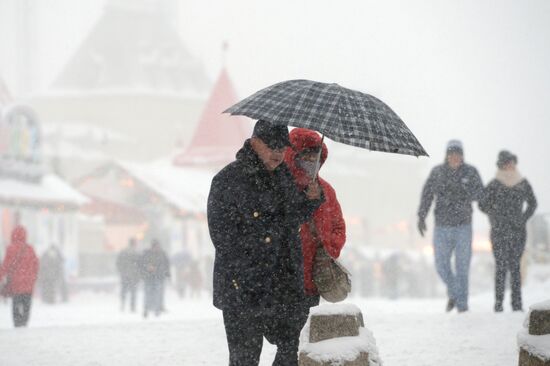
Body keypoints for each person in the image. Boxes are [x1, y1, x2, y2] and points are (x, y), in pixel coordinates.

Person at [207, 120, 324, 366]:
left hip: (284, 286)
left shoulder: (284, 177)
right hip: (244, 289)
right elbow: (222, 236)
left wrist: (311, 201)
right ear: (254, 142)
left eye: (283, 148)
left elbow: (292, 217)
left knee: (292, 352)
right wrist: (251, 267)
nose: (278, 154)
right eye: (272, 147)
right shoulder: (228, 180)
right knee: (245, 359)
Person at [283, 128, 346, 310]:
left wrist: (328, 249)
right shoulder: (281, 187)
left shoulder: (326, 190)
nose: (311, 161)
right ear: (293, 155)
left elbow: (338, 226)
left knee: (305, 335)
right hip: (283, 281)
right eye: (306, 155)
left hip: (313, 281)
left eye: (315, 155)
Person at [417, 140, 483, 312]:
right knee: (441, 265)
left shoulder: (471, 172)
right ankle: (454, 292)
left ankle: (462, 306)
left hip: (463, 226)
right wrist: (421, 216)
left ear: (462, 156)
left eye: (458, 154)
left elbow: (480, 194)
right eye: (451, 154)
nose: (454, 157)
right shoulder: (437, 172)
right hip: (442, 227)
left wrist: (466, 190)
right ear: (446, 155)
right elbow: (427, 195)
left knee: (462, 268)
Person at [479, 150, 537, 312]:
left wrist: (523, 218)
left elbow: (533, 203)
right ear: (501, 165)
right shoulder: (494, 184)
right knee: (500, 267)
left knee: (515, 267)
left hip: (518, 231)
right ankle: (498, 304)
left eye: (512, 162)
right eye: (506, 163)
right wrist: (494, 216)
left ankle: (517, 304)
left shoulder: (523, 183)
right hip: (498, 231)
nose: (510, 165)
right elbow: (482, 204)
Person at [0, 226, 39, 327]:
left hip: (16, 284)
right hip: (28, 285)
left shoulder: (11, 248)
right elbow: (36, 265)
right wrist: (33, 278)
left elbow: (5, 265)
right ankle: (24, 321)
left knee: (16, 304)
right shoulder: (30, 249)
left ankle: (18, 323)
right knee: (26, 304)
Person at [140, 239, 170, 318]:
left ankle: (157, 310)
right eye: (156, 246)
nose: (157, 248)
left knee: (157, 294)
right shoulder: (147, 254)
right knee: (148, 294)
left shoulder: (162, 254)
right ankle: (146, 309)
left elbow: (166, 265)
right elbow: (142, 264)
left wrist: (165, 273)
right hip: (149, 277)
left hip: (158, 277)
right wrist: (147, 268)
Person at [116, 238, 141, 312]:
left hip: (125, 275)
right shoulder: (136, 252)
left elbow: (118, 262)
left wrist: (121, 271)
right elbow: (140, 265)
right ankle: (132, 307)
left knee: (124, 291)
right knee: (133, 292)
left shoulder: (123, 251)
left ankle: (123, 305)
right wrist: (138, 275)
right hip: (133, 276)